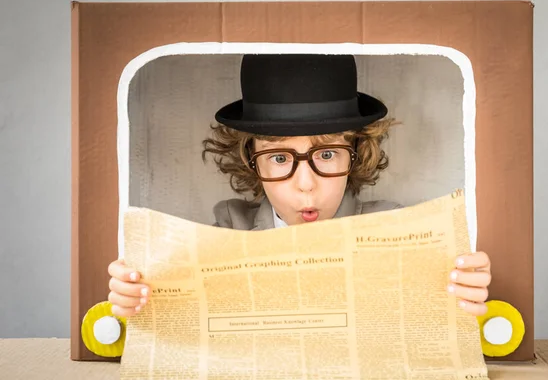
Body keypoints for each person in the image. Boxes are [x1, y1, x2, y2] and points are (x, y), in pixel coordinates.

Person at [107, 54, 491, 318]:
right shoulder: (225, 232)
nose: (305, 186)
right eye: (279, 158)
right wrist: (135, 304)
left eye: (326, 155)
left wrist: (465, 298)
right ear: (250, 162)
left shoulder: (398, 229)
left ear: (356, 154)